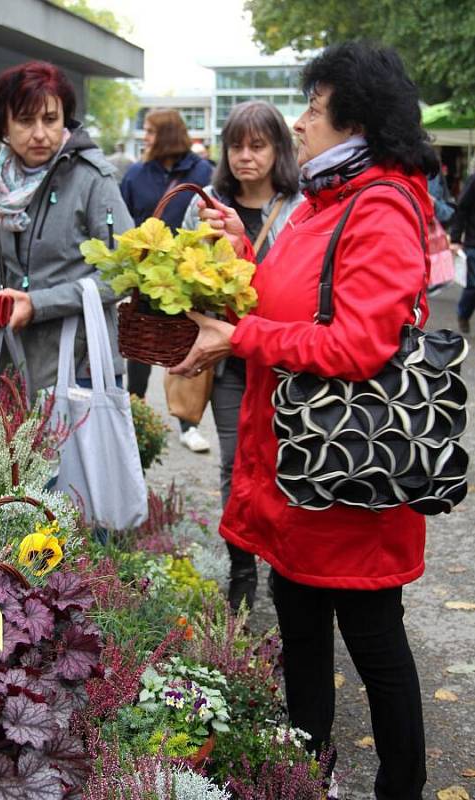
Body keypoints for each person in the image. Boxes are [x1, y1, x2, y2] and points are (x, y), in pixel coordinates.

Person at [171, 42, 438, 799]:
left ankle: (401, 786)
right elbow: (292, 301)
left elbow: (360, 343)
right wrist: (241, 259)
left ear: (355, 119)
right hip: (296, 470)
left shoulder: (378, 204)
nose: (300, 120)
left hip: (345, 475)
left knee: (373, 644)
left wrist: (241, 336)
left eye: (313, 107)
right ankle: (300, 776)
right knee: (297, 636)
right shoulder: (323, 200)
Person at [182, 100, 302, 610]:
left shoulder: (301, 206)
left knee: (285, 465)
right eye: (236, 145)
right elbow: (182, 271)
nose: (245, 157)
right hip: (230, 361)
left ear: (279, 150)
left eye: (258, 145)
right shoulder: (206, 203)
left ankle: (282, 567)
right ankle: (241, 571)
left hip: (285, 360)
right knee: (236, 464)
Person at [0, 60, 133, 398]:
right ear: (4, 126)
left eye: (50, 119)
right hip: (15, 357)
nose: (40, 133)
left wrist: (38, 303)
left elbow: (124, 272)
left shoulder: (93, 180)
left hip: (82, 363)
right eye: (26, 121)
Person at [121, 108, 213, 453]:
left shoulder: (203, 172)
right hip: (146, 275)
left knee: (185, 346)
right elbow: (123, 219)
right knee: (139, 346)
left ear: (167, 133)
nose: (144, 137)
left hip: (187, 276)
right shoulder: (136, 174)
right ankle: (134, 411)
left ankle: (188, 423)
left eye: (149, 130)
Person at [449, 157, 475, 334]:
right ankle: (463, 314)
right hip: (474, 242)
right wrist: (456, 238)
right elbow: (461, 208)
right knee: (473, 286)